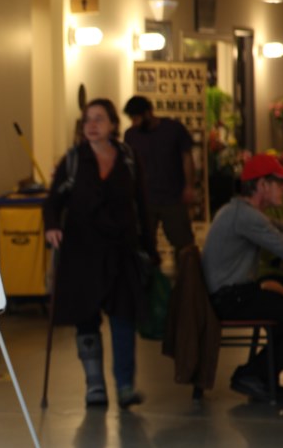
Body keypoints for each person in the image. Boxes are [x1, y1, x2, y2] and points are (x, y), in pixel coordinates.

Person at [42, 98, 157, 409]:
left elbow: (142, 205)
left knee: (123, 319)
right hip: (82, 254)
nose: (91, 125)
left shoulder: (129, 158)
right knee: (86, 318)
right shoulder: (74, 160)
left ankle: (124, 385)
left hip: (122, 252)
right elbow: (53, 202)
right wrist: (51, 227)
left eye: (99, 119)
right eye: (87, 120)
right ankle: (94, 384)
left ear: (113, 125)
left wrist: (150, 249)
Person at [202, 153, 283, 403]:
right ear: (262, 185)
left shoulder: (241, 210)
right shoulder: (245, 216)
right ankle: (252, 374)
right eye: (279, 182)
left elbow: (279, 228)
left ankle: (265, 375)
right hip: (231, 298)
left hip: (234, 292)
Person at [122, 95, 196, 267]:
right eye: (132, 119)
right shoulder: (131, 135)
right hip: (144, 199)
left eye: (137, 118)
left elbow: (187, 158)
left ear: (148, 113)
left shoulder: (173, 129)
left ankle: (186, 284)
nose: (134, 122)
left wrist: (189, 186)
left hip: (173, 196)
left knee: (183, 242)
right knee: (144, 243)